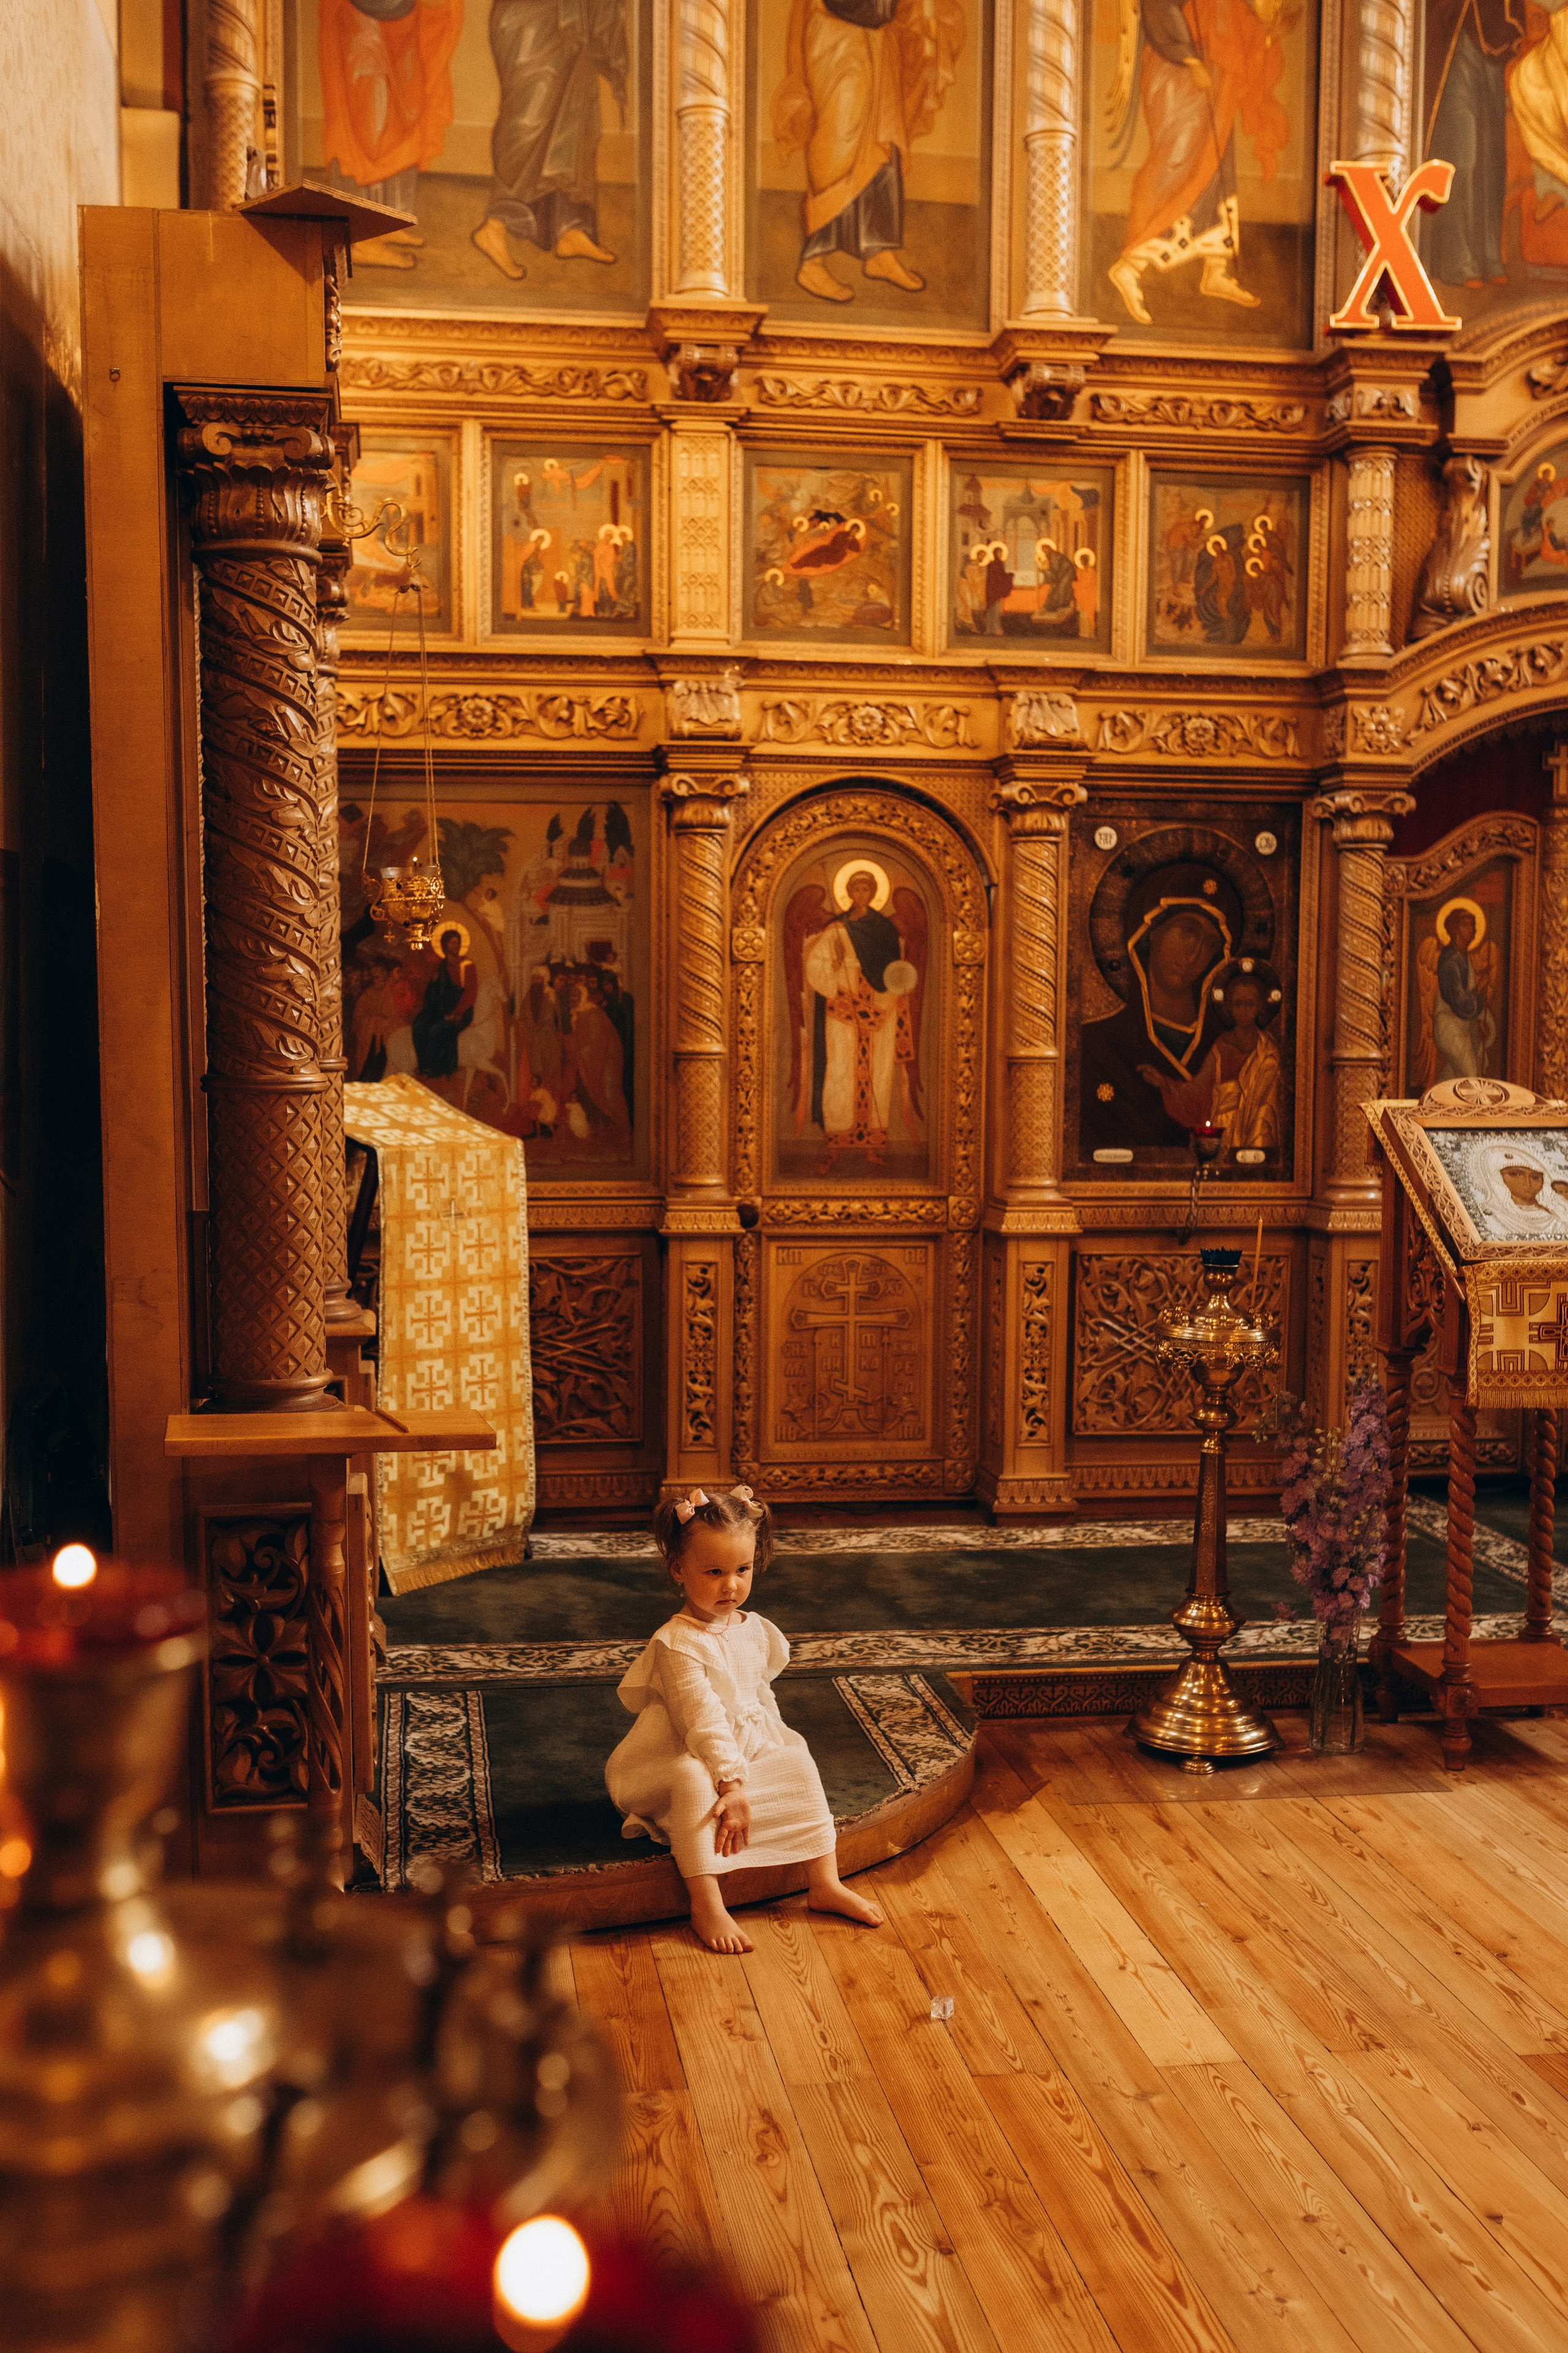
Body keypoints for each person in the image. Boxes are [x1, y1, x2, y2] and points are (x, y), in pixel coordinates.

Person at [606, 1487, 884, 1954]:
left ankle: (824, 1882)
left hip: (739, 1745)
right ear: (680, 1570)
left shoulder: (754, 1628)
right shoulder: (677, 1644)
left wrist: (774, 1742)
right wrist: (731, 1784)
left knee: (797, 1760)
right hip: (685, 1750)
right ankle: (707, 1901)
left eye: (742, 1570)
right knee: (693, 1779)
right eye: (713, 1572)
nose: (730, 1585)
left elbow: (758, 1694)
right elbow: (702, 1720)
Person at [1104, 0, 1288, 326]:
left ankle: (1215, 269)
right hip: (1180, 72)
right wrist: (1190, 60)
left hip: (1216, 73)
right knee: (1177, 160)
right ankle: (1130, 266)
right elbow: (1160, 9)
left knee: (1216, 165)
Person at [772, 0, 965, 304]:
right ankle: (813, 261)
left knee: (883, 141)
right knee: (838, 140)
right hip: (834, 34)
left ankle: (879, 252)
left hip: (879, 37)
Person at [472, 0, 627, 281]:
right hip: (528, 18)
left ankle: (571, 228)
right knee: (530, 117)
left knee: (575, 118)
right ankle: (495, 226)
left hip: (576, 15)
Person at [801, 868, 919, 1170]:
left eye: (867, 890)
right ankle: (835, 1147)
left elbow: (896, 971)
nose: (861, 895)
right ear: (850, 892)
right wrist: (836, 966)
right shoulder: (836, 930)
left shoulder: (885, 930)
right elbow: (815, 965)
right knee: (839, 1070)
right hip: (842, 1008)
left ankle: (874, 1147)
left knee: (876, 1074)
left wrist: (887, 999)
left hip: (879, 1007)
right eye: (856, 889)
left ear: (873, 893)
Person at [411, 927, 477, 1082]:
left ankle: (436, 1070)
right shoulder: (441, 966)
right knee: (419, 1026)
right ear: (445, 945)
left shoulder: (467, 965)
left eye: (457, 943)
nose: (456, 946)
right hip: (440, 1011)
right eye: (452, 943)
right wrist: (433, 983)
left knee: (437, 1030)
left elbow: (470, 993)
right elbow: (435, 994)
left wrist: (457, 1013)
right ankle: (423, 1067)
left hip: (461, 1012)